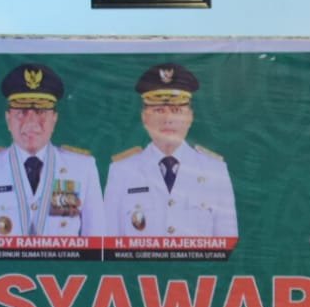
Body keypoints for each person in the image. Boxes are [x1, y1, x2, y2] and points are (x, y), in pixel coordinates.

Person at [0, 63, 104, 237]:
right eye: (21, 112)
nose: (31, 122)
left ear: (54, 118)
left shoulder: (82, 168)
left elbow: (97, 239)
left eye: (41, 111)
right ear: (8, 119)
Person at [101, 63, 238, 238]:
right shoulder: (121, 171)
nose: (168, 119)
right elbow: (108, 241)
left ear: (190, 117)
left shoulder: (214, 171)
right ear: (144, 117)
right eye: (158, 110)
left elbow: (227, 241)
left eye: (176, 110)